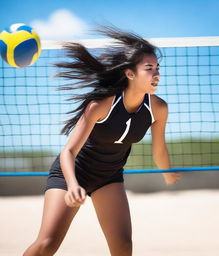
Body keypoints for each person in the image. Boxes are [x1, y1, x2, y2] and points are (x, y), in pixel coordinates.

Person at [23, 25, 181, 256]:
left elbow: (159, 150)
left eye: (158, 67)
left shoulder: (158, 108)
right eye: (149, 68)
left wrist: (167, 172)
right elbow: (68, 152)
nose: (156, 73)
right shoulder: (101, 104)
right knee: (46, 244)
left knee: (123, 247)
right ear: (130, 73)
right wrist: (73, 185)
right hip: (72, 173)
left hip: (109, 176)